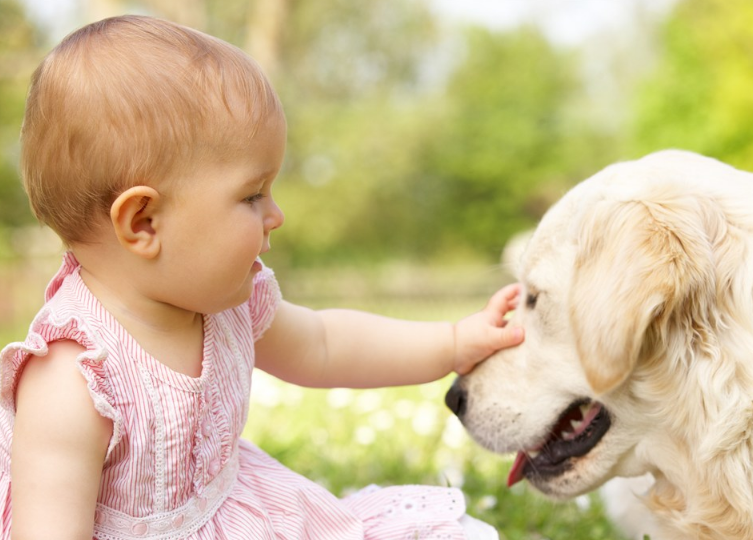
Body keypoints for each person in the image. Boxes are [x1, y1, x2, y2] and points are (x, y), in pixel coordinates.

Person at [0, 15, 524, 540]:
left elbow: (325, 344)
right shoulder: (74, 377)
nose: (275, 215)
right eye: (252, 195)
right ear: (143, 222)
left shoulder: (227, 302)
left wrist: (453, 342)